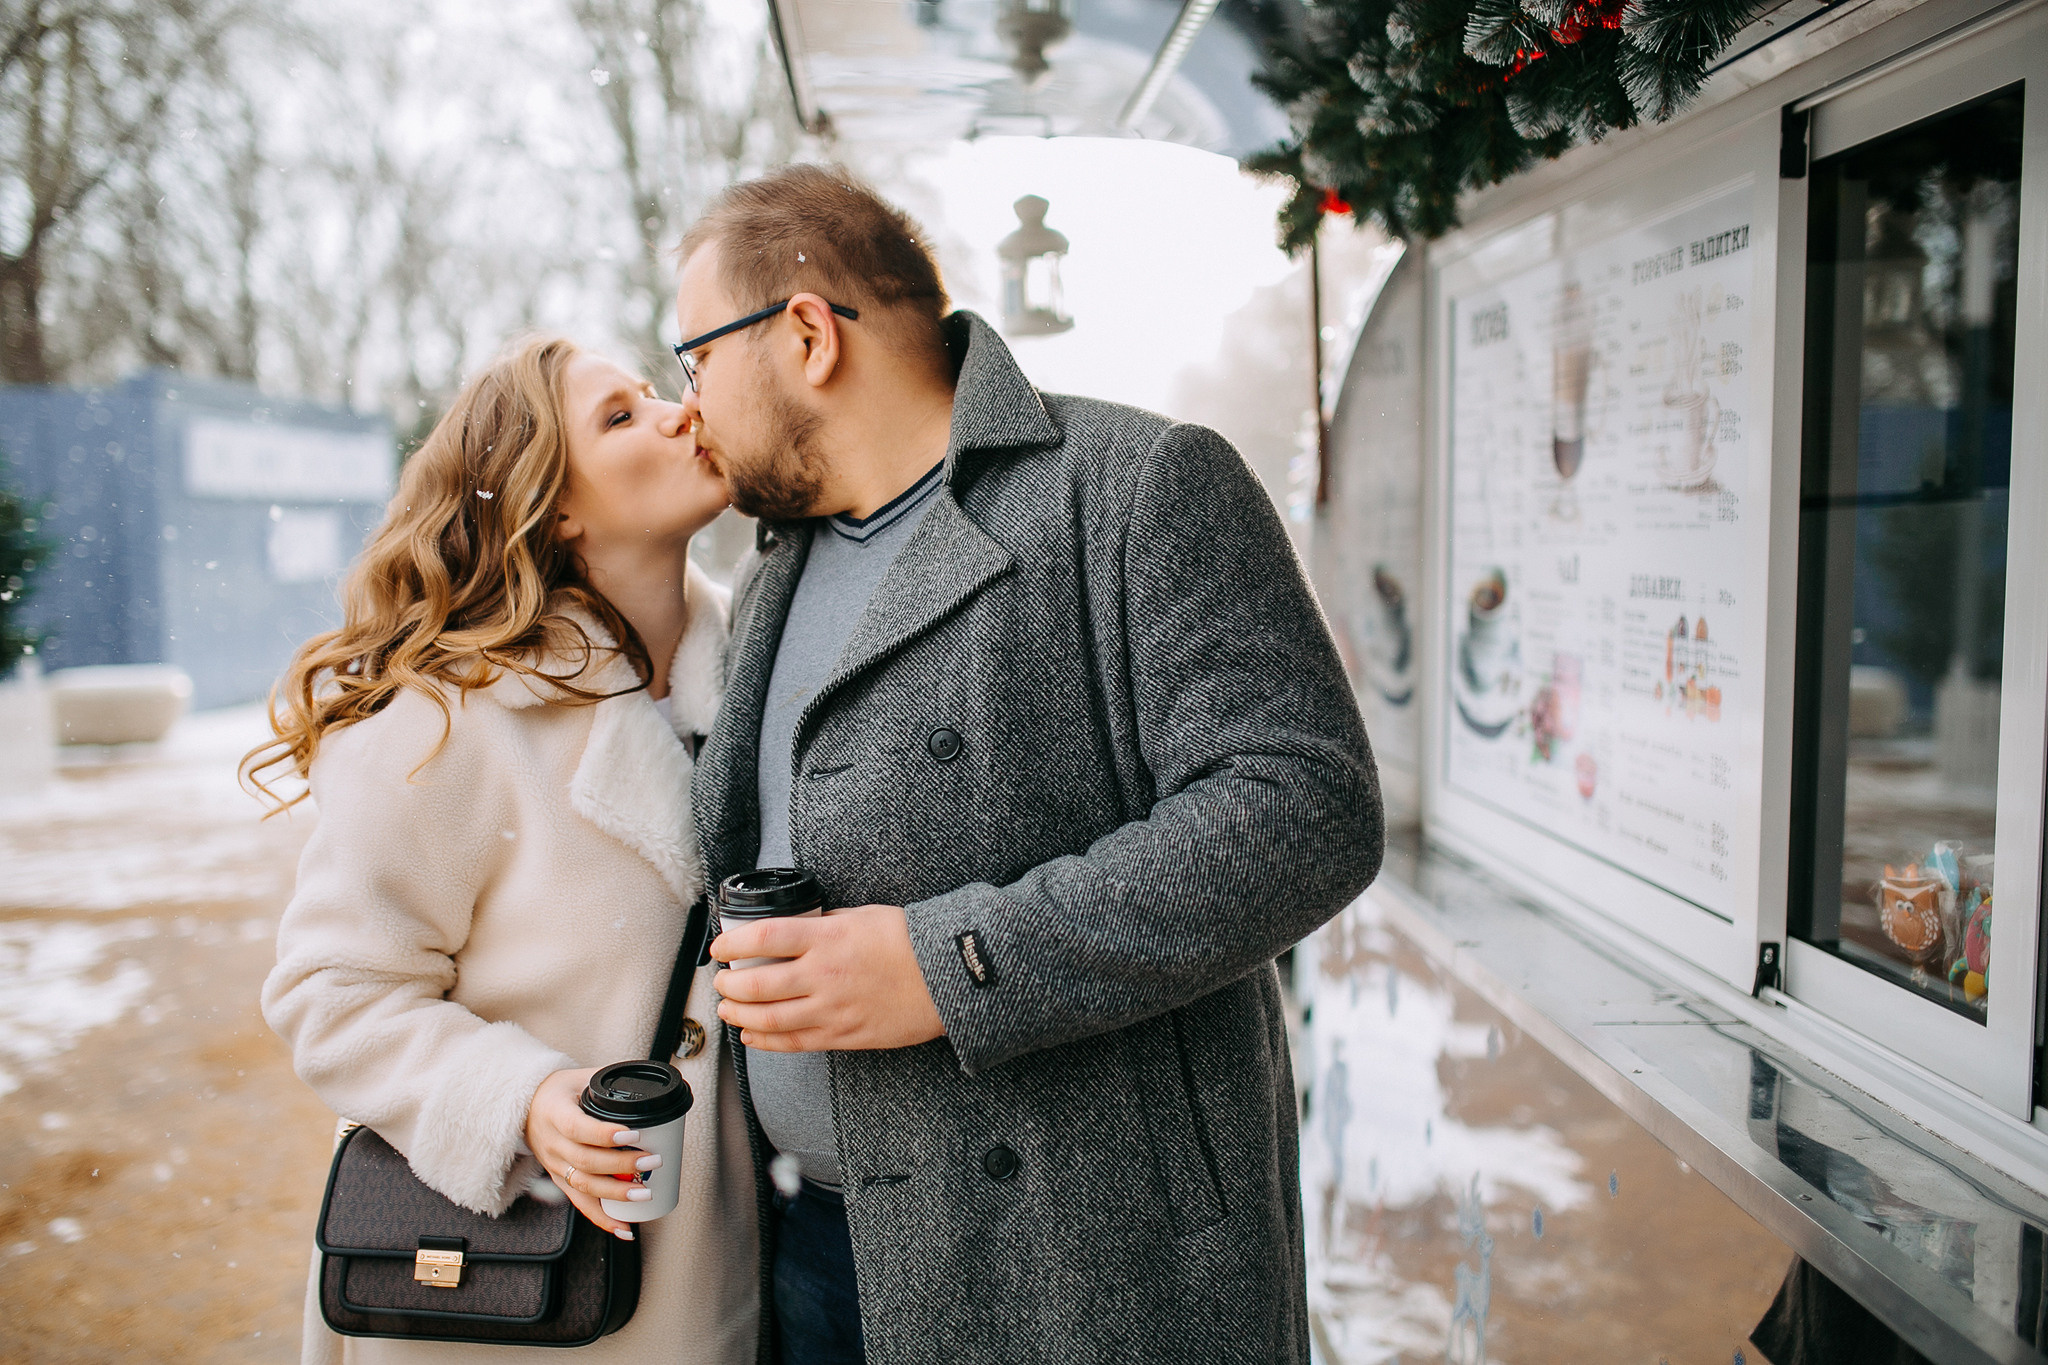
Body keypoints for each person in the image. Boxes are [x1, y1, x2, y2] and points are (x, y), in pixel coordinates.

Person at [679, 164, 1383, 1364]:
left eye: (692, 355)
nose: (683, 400)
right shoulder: (769, 573)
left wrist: (952, 966)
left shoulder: (1136, 486)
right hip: (815, 1249)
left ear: (804, 334)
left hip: (1080, 1274)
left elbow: (1302, 807)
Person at [254, 336, 758, 1364]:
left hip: (712, 1277)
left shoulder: (759, 676)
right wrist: (517, 1099)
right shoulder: (447, 715)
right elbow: (331, 993)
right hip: (496, 1286)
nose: (677, 414)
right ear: (556, 507)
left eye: (656, 394)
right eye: (620, 417)